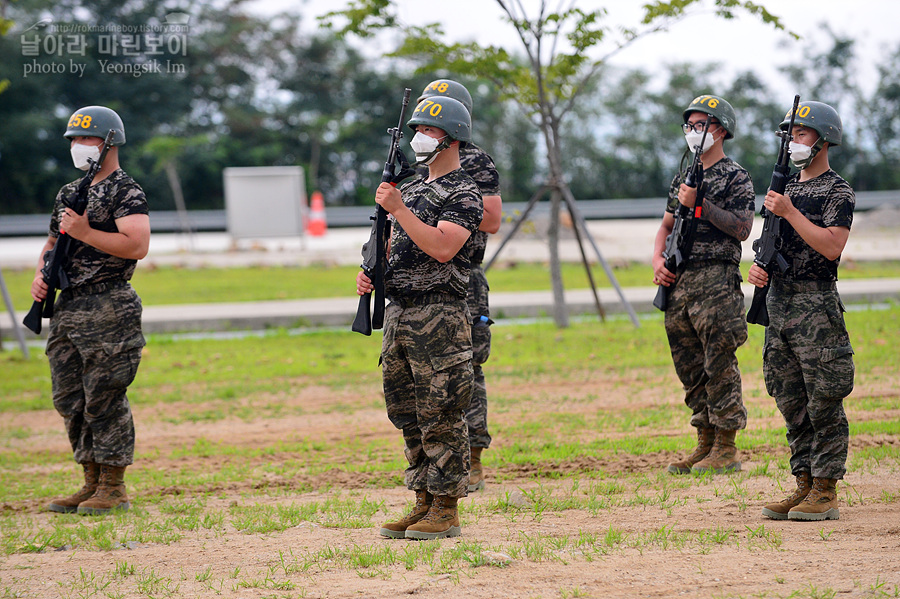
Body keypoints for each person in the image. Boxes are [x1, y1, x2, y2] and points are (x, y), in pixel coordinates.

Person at [356, 95, 483, 539]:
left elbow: (443, 247)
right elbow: (392, 244)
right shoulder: (408, 189)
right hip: (399, 315)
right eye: (417, 131)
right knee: (406, 410)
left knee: (442, 410)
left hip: (440, 317)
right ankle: (423, 499)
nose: (418, 139)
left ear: (450, 138)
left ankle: (446, 508)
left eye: (427, 132)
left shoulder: (465, 193)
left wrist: (399, 210)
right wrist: (371, 271)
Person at [33, 106, 150, 515]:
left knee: (105, 394)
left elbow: (137, 244)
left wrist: (85, 232)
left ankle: (114, 486)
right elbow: (53, 243)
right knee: (70, 397)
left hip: (109, 302)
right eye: (74, 140)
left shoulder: (125, 191)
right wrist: (41, 274)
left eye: (87, 139)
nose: (79, 147)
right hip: (69, 305)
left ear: (110, 142)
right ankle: (90, 481)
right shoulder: (69, 192)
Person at [750, 101, 855, 521]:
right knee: (789, 395)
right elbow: (771, 243)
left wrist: (789, 211)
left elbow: (832, 246)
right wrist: (760, 269)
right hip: (780, 303)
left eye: (801, 134)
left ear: (823, 140)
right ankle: (804, 482)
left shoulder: (837, 190)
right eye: (789, 135)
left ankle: (826, 489)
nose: (792, 142)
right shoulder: (785, 188)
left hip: (816, 306)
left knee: (823, 398)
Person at [652, 94, 755, 476]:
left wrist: (700, 205)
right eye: (690, 126)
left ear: (721, 130)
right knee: (690, 364)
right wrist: (658, 260)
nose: (694, 133)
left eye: (702, 125)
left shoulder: (735, 176)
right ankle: (705, 440)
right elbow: (664, 228)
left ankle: (727, 447)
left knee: (719, 360)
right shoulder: (683, 177)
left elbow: (743, 228)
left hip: (716, 278)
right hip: (680, 280)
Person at [416, 79, 502, 492]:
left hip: (463, 276)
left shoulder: (476, 162)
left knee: (466, 370)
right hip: (421, 278)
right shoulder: (419, 165)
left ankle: (473, 458)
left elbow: (492, 219)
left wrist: (448, 212)